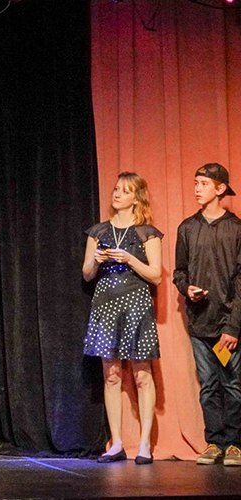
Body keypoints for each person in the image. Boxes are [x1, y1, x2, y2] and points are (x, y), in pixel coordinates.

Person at [81, 172, 162, 465]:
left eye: (124, 191)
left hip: (136, 303)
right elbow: (86, 274)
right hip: (106, 303)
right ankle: (116, 443)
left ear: (136, 197)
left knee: (142, 374)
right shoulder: (99, 232)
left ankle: (144, 445)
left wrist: (129, 259)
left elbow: (156, 275)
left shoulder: (146, 232)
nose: (116, 194)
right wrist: (96, 261)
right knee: (111, 374)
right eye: (116, 189)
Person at [174, 163, 241, 467]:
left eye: (203, 183)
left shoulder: (236, 228)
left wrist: (234, 326)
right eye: (196, 182)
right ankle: (214, 442)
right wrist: (187, 289)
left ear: (221, 189)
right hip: (200, 323)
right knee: (209, 385)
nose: (197, 188)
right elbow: (180, 272)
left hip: (228, 323)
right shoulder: (187, 227)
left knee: (233, 384)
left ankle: (235, 445)